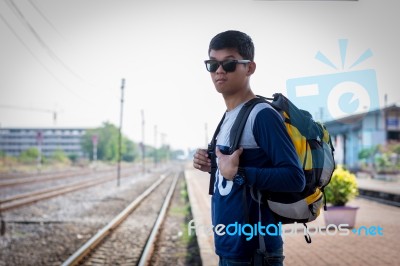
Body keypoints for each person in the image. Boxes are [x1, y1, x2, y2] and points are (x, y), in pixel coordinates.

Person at [192, 30, 306, 266]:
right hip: (230, 249)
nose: (219, 70)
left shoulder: (262, 115)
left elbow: (295, 178)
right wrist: (212, 166)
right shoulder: (228, 117)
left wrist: (239, 173)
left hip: (256, 252)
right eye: (212, 64)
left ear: (250, 68)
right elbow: (231, 171)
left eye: (229, 63)